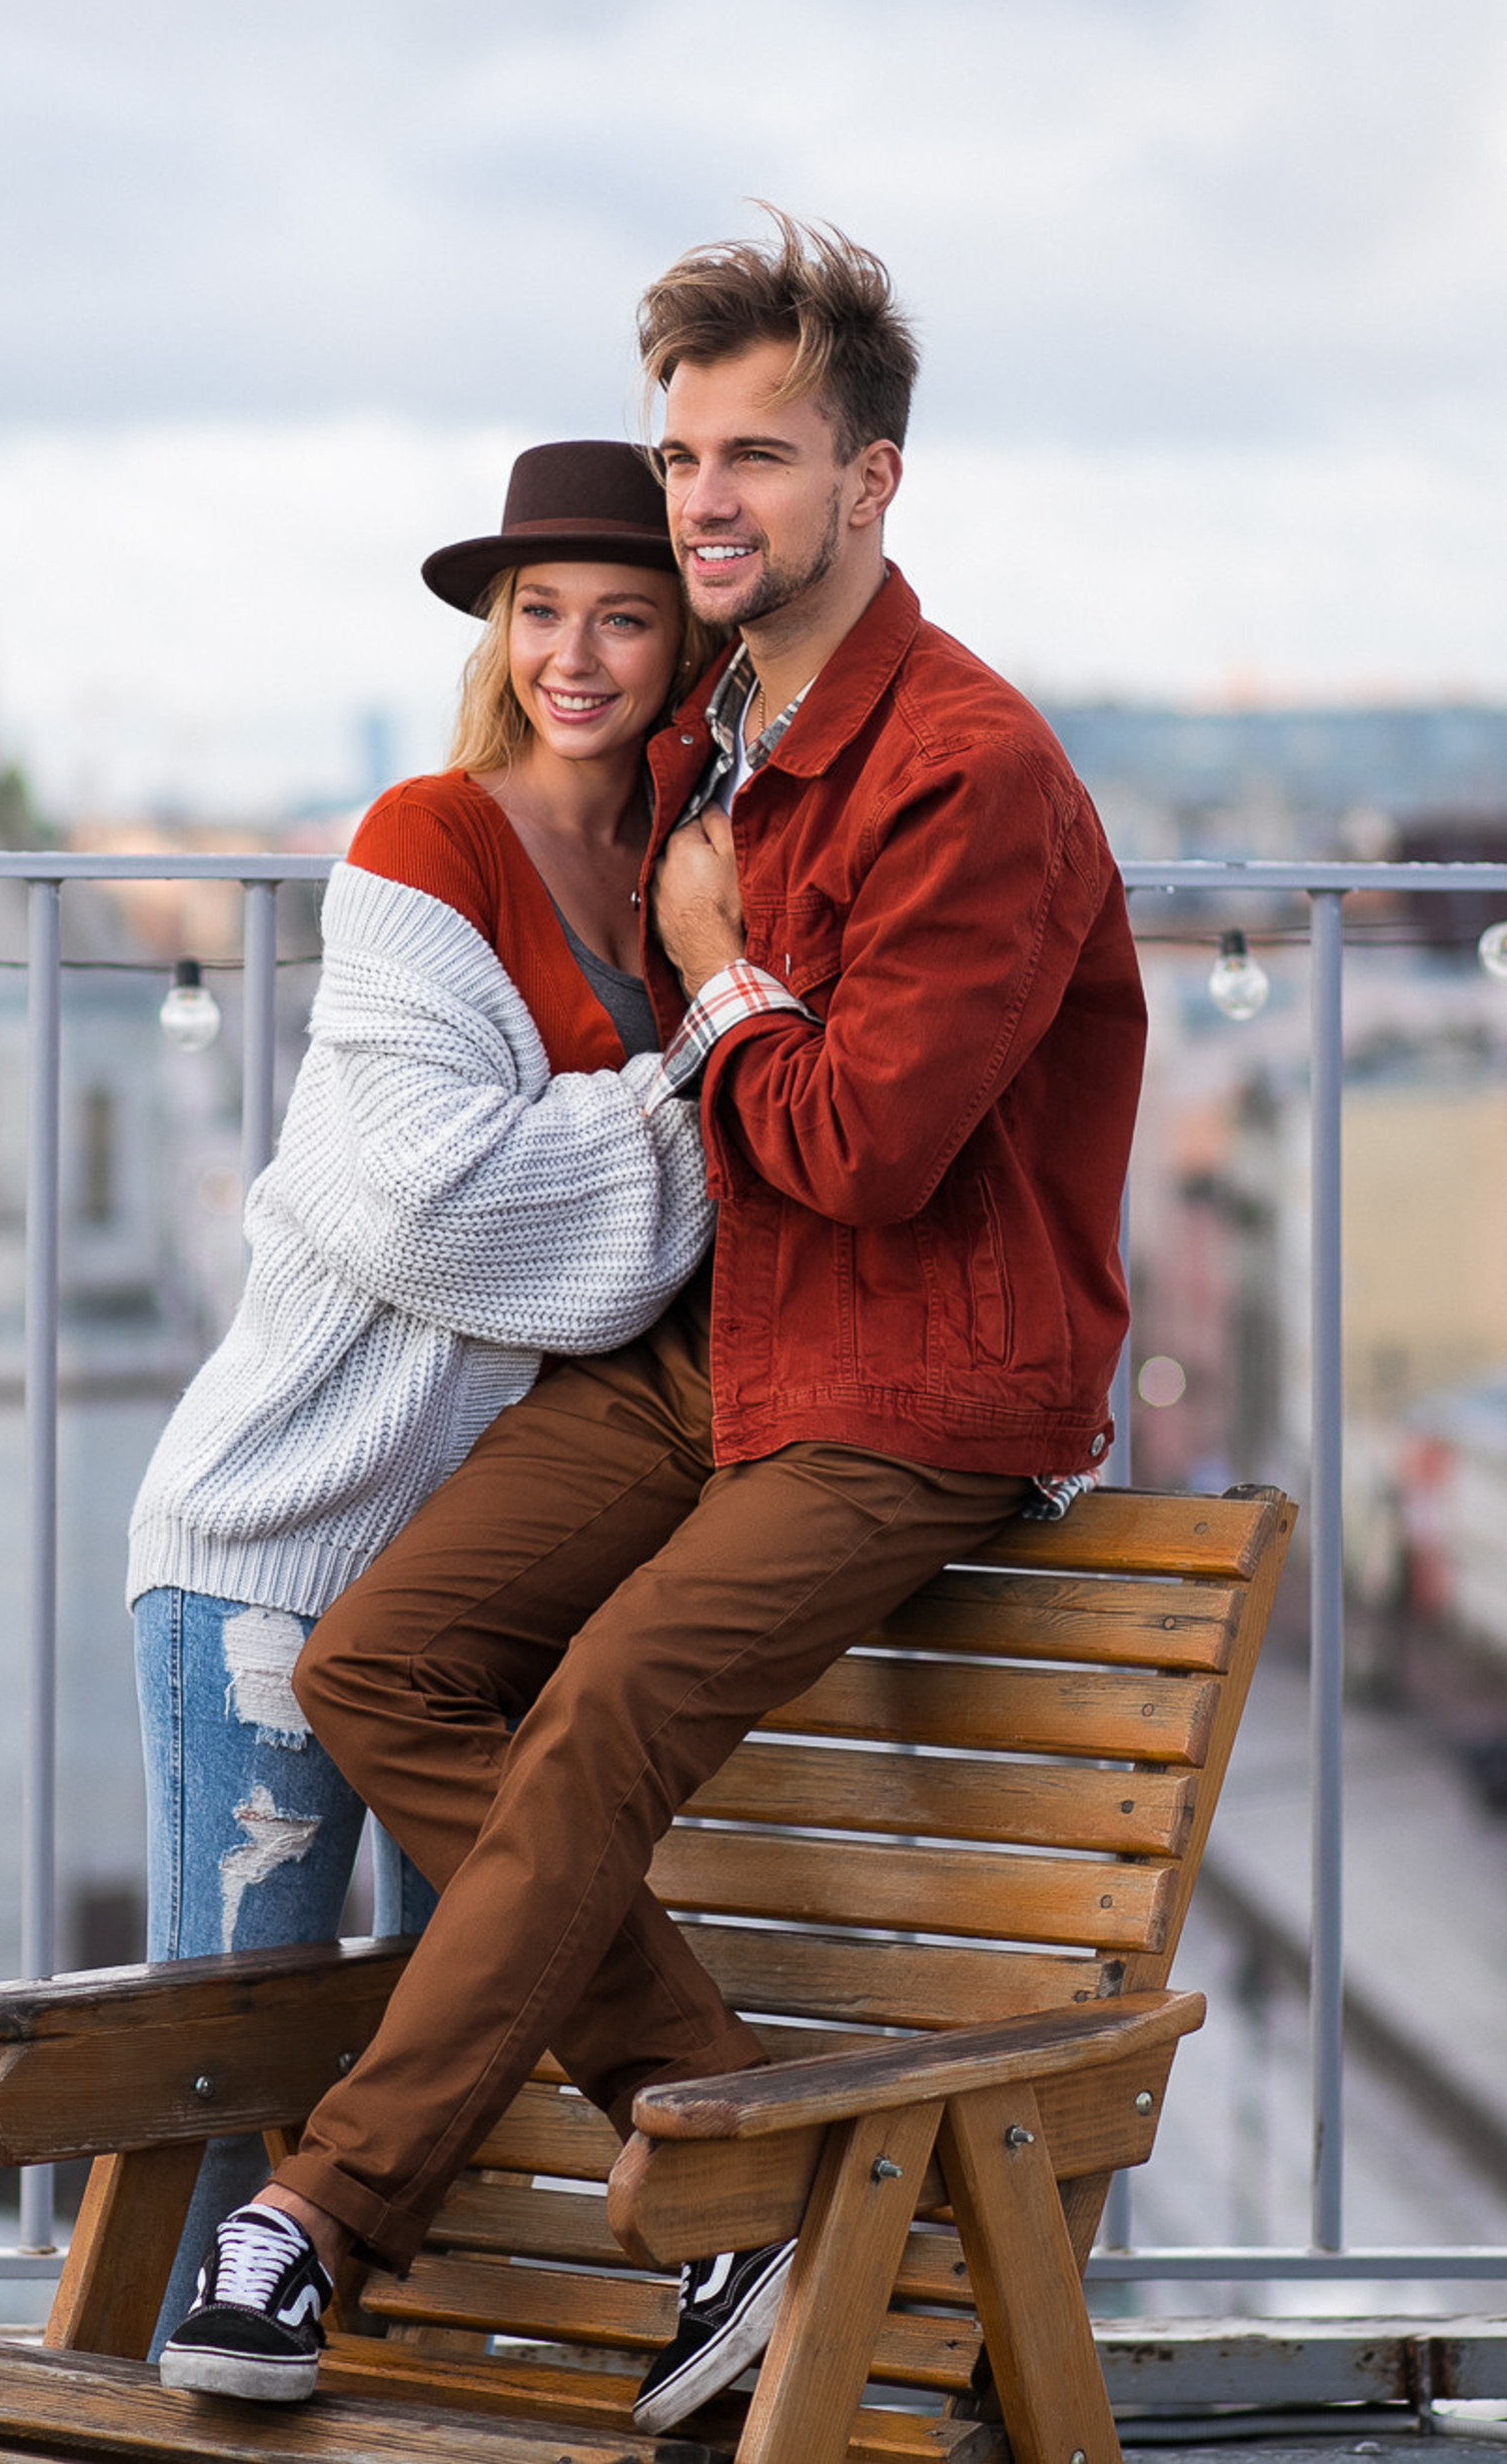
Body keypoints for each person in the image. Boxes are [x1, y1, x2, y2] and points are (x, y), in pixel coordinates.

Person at [157, 213, 1147, 2433]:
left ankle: (315, 2215)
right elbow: (539, 807)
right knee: (379, 1661)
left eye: (759, 458)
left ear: (868, 483)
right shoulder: (711, 720)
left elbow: (864, 1146)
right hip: (729, 1345)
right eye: (685, 449)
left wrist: (705, 963)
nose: (705, 497)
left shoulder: (957, 771)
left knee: (595, 1697)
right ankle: (730, 2143)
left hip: (907, 1379)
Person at [127, 438, 719, 2344]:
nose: (575, 653)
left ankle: (351, 2385)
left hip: (487, 1568)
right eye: (538, 611)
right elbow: (421, 1199)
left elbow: (584, 1205)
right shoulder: (425, 840)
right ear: (494, 629)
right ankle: (167, 2398)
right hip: (282, 1539)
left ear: (682, 634)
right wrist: (690, 1069)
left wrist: (598, 1125)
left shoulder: (690, 860)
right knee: (236, 2065)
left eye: (624, 615)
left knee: (438, 2032)